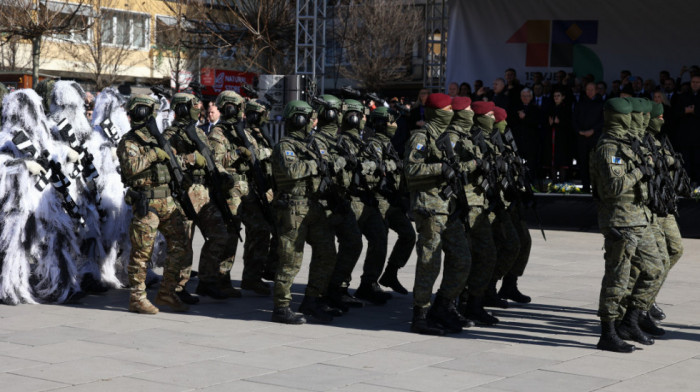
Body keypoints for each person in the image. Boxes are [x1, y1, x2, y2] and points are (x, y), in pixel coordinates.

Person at [589, 97, 663, 352]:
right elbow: (614, 187)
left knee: (655, 268)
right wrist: (641, 170)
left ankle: (631, 320)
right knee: (617, 278)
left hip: (638, 218)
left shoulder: (626, 144)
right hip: (619, 221)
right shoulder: (609, 148)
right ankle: (607, 333)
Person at [404, 93, 472, 335]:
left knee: (462, 258)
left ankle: (443, 306)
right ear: (436, 112)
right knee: (429, 262)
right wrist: (441, 168)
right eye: (446, 109)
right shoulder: (421, 137)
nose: (451, 113)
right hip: (429, 207)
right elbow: (411, 169)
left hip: (448, 206)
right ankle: (420, 315)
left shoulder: (446, 137)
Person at [117, 94, 190, 314]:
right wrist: (152, 154)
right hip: (146, 202)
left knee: (181, 245)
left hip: (167, 200)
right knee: (142, 253)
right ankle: (137, 298)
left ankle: (167, 291)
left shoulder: (158, 138)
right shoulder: (130, 141)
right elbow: (131, 168)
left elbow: (174, 160)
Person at [163, 92, 238, 305]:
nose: (200, 110)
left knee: (219, 235)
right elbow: (167, 161)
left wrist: (223, 174)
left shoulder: (198, 132)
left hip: (203, 193)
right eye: (195, 106)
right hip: (182, 194)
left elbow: (212, 158)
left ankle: (207, 280)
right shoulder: (169, 134)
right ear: (184, 109)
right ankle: (178, 286)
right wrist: (189, 159)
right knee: (184, 244)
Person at [270, 100, 337, 324]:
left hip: (314, 205)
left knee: (327, 252)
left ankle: (312, 299)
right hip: (293, 207)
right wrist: (318, 164)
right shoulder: (285, 146)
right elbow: (292, 170)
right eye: (311, 119)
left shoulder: (311, 144)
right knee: (291, 258)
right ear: (299, 120)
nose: (314, 123)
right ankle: (281, 306)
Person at [204, 90, 251, 299]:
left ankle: (224, 278)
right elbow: (216, 162)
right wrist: (238, 153)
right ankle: (213, 279)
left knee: (234, 237)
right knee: (225, 237)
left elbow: (255, 152)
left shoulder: (240, 131)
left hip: (242, 190)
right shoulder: (217, 134)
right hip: (227, 191)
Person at [366, 106, 416, 296]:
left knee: (408, 235)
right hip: (379, 200)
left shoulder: (389, 144)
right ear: (380, 124)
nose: (395, 125)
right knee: (379, 241)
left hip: (392, 200)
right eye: (391, 122)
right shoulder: (373, 145)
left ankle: (390, 273)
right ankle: (368, 283)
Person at [238, 99, 277, 295]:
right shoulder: (244, 135)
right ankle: (251, 278)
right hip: (249, 191)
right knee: (258, 232)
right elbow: (250, 155)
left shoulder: (262, 135)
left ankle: (261, 273)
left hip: (265, 189)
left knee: (269, 231)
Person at [573, 82, 604, 192]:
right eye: (587, 89)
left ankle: (596, 187)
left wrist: (593, 130)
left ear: (596, 90)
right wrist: (579, 131)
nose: (589, 92)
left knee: (595, 163)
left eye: (591, 89)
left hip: (594, 138)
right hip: (582, 138)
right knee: (583, 162)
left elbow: (603, 121)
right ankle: (585, 186)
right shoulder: (580, 103)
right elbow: (574, 119)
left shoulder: (601, 104)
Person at [544, 88, 574, 181]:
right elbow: (545, 122)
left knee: (562, 161)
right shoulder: (550, 107)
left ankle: (562, 182)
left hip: (563, 139)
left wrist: (559, 122)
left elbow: (570, 123)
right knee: (552, 161)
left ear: (563, 97)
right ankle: (554, 182)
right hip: (551, 138)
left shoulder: (566, 108)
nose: (556, 98)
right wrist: (549, 123)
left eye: (558, 96)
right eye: (554, 96)